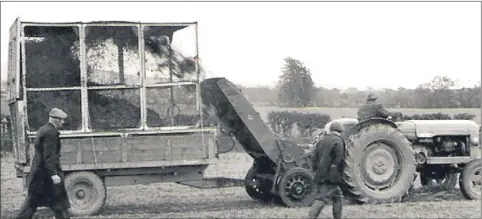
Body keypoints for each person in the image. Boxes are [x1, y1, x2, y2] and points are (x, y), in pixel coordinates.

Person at [14, 108, 71, 219]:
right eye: (62, 120)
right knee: (33, 203)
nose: (63, 123)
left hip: (40, 174)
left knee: (57, 203)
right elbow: (49, 156)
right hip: (44, 176)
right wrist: (54, 174)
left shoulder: (43, 129)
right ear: (56, 120)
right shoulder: (51, 133)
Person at [308, 121, 346, 219]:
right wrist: (339, 175)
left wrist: (316, 171)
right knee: (322, 197)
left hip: (321, 174)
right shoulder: (338, 141)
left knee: (338, 197)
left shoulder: (322, 140)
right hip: (331, 176)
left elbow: (314, 157)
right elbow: (339, 159)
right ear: (339, 131)